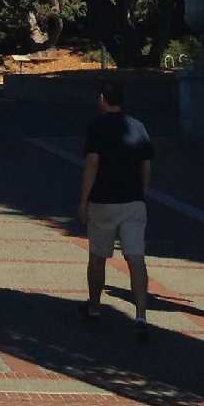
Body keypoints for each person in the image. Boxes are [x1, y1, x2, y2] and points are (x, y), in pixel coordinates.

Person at [76, 77, 154, 333]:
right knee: (136, 259)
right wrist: (142, 191)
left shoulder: (97, 126)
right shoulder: (138, 126)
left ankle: (95, 307)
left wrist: (83, 200)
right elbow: (146, 163)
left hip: (104, 201)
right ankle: (141, 315)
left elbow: (92, 164)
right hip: (133, 201)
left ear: (101, 99)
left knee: (98, 257)